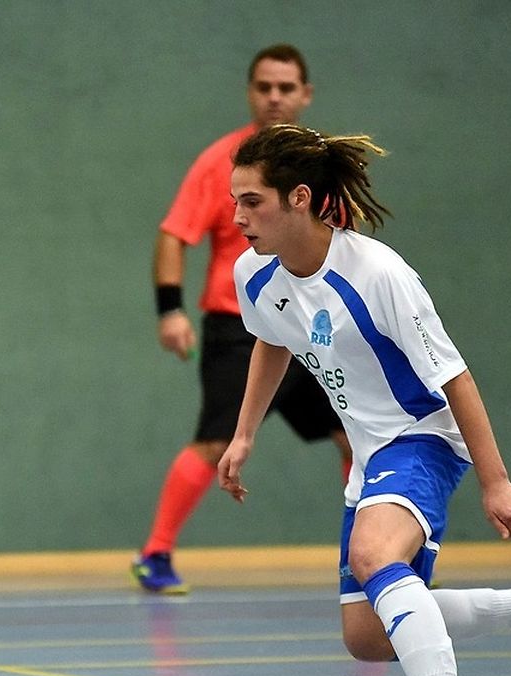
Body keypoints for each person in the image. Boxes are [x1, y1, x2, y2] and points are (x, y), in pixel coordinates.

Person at [216, 123, 511, 676]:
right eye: (235, 200)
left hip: (422, 435)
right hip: (371, 453)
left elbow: (454, 376)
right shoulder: (254, 273)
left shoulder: (378, 274)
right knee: (368, 637)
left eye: (252, 200)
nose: (238, 215)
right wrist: (244, 433)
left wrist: (495, 481)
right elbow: (273, 339)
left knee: (373, 553)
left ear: (299, 197)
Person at [134, 44, 351, 594]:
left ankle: (371, 558)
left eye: (286, 87)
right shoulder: (222, 164)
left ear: (305, 94)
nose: (275, 96)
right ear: (251, 93)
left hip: (315, 329)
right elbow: (173, 233)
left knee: (357, 436)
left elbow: (343, 247)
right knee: (216, 443)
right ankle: (155, 554)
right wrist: (170, 310)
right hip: (242, 330)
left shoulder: (323, 171)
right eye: (264, 87)